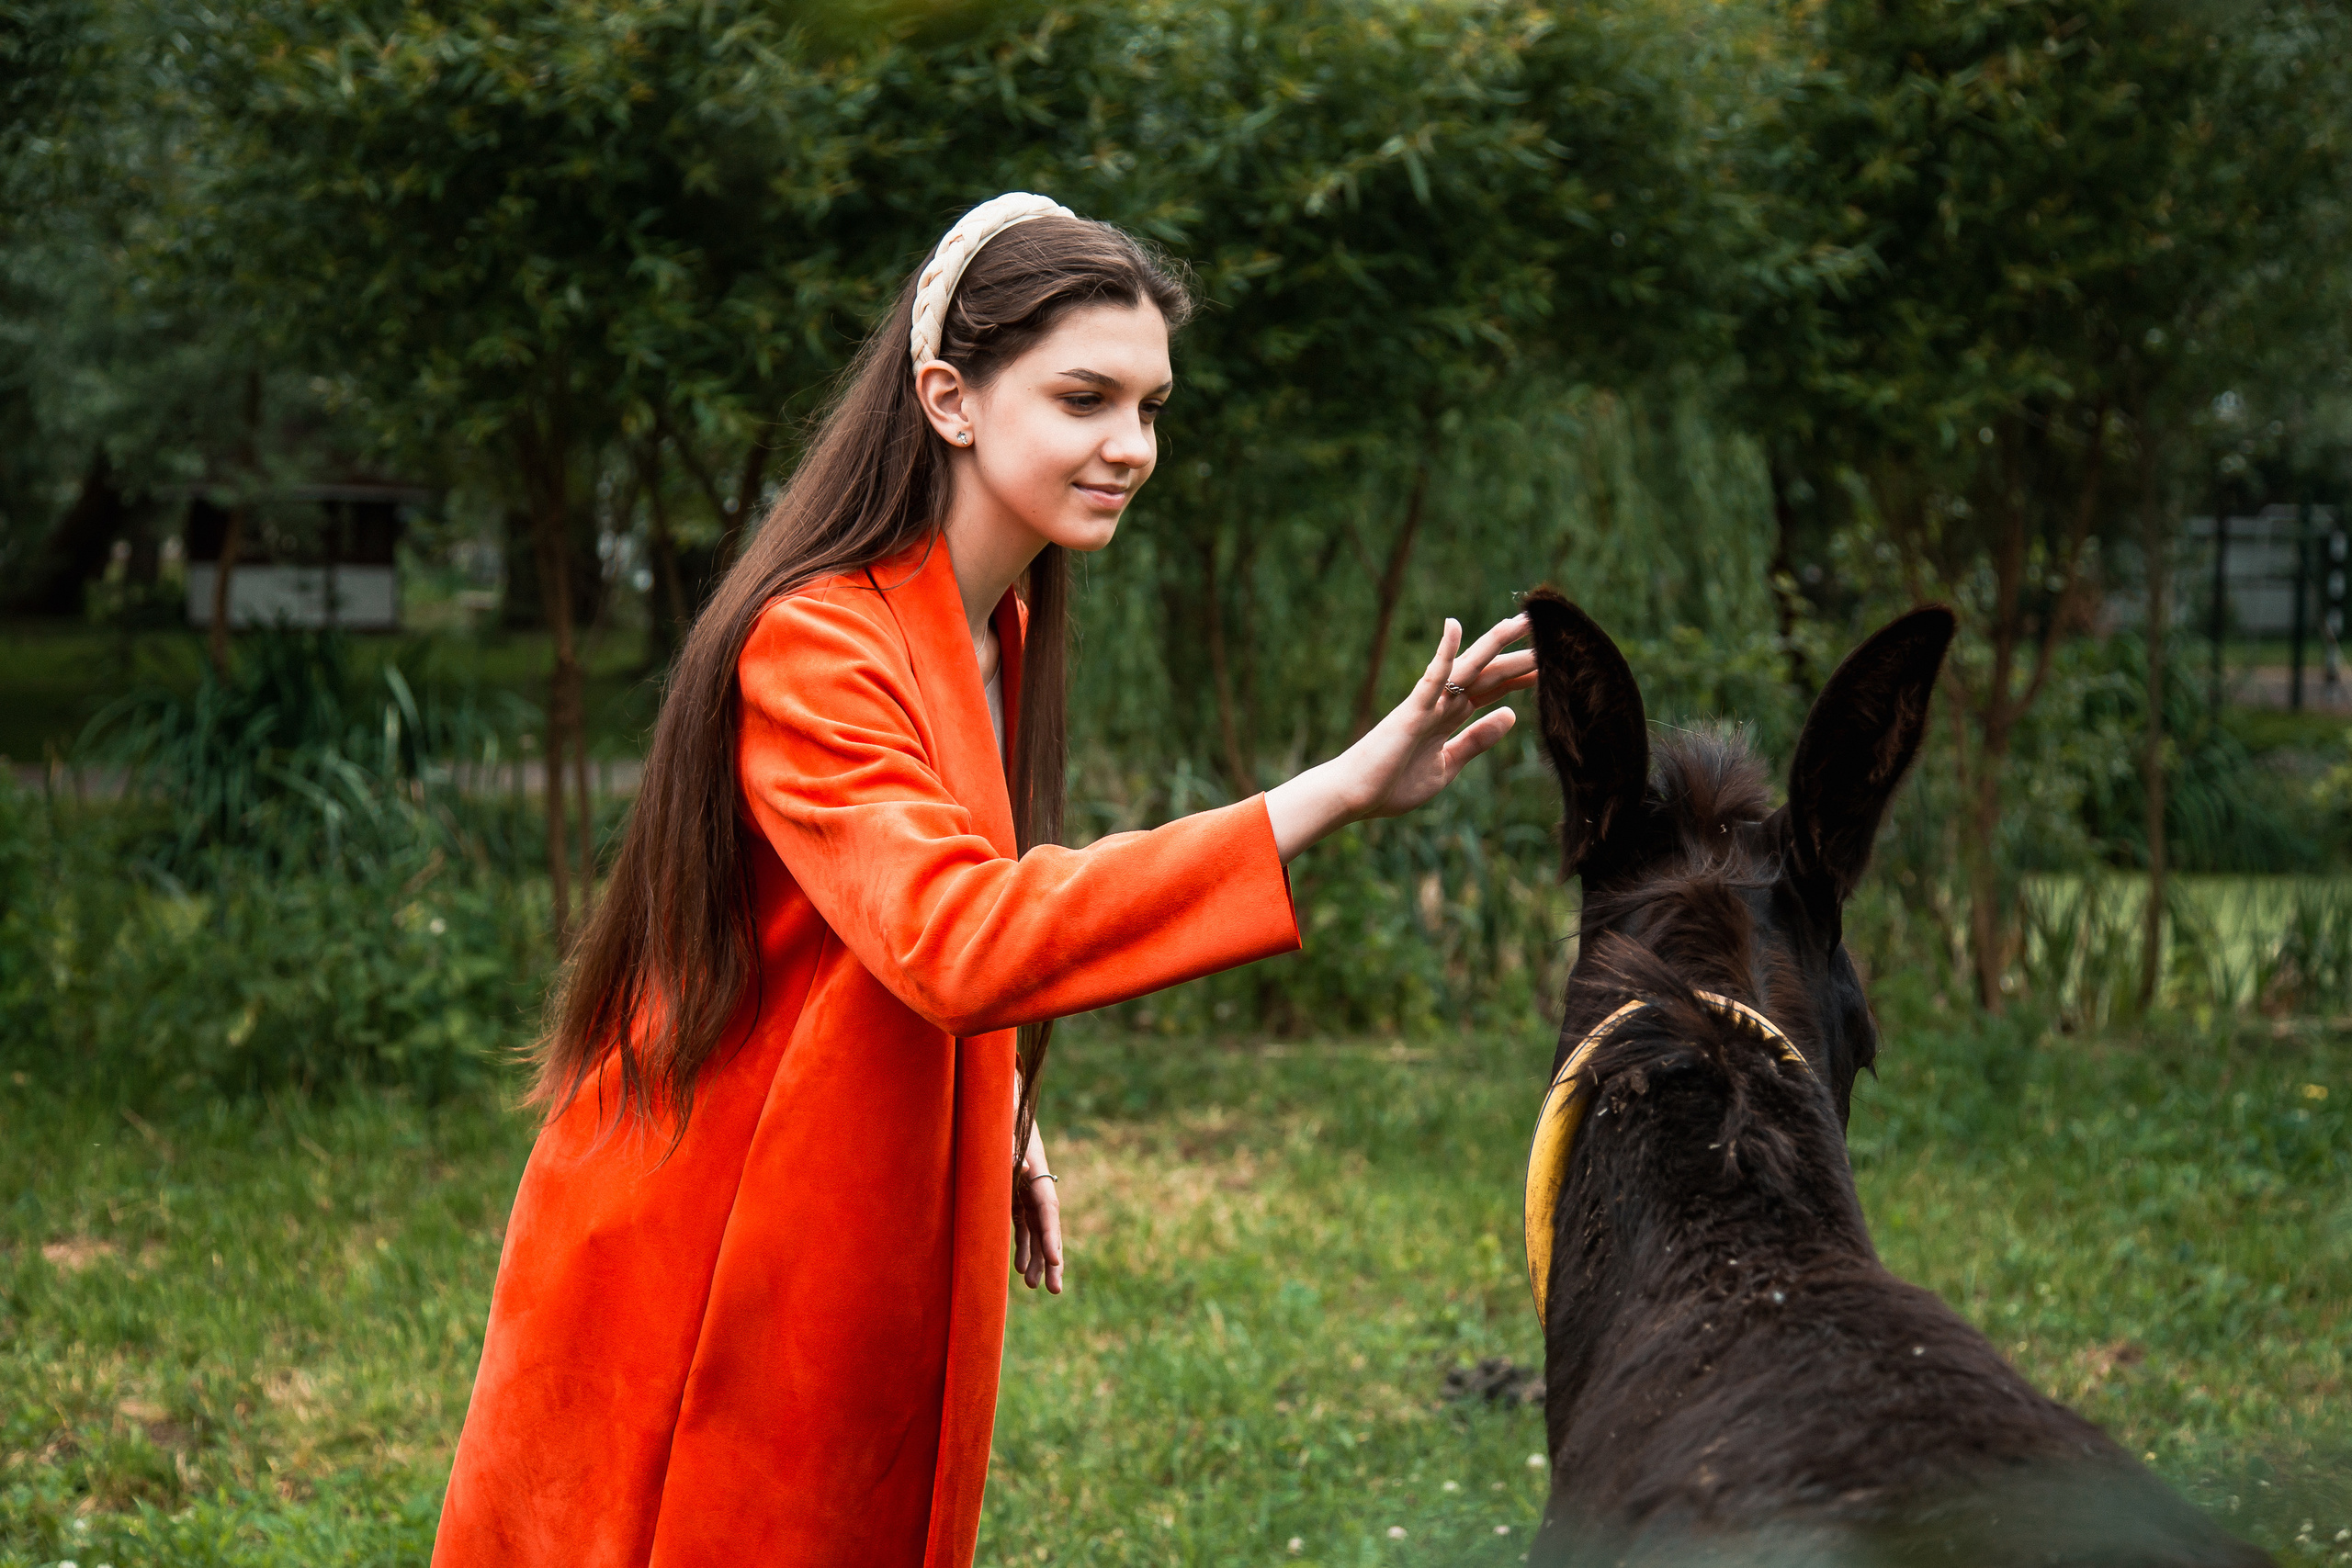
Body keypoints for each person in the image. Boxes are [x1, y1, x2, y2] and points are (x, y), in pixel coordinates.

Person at [431, 192, 1533, 1568]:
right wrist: (1333, 789)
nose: (1130, 448)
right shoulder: (816, 643)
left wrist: (996, 1111)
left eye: (1151, 407)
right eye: (1084, 399)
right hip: (702, 1248)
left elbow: (895, 938)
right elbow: (957, 936)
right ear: (948, 398)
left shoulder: (994, 630)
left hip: (845, 1207)